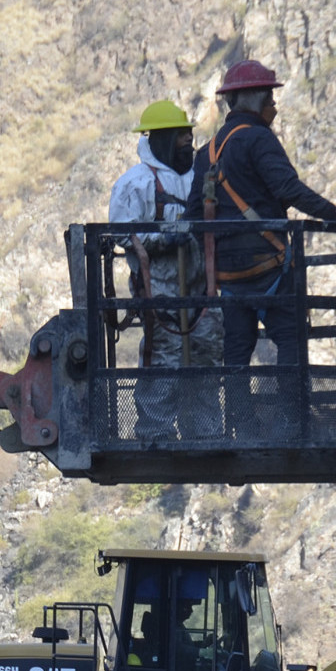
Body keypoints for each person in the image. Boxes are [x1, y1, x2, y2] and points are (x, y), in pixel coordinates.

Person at [184, 60, 336, 435]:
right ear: (254, 99)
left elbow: (194, 214)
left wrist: (221, 259)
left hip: (229, 276)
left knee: (237, 350)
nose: (274, 107)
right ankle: (291, 420)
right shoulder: (259, 139)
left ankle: (241, 424)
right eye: (270, 98)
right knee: (290, 340)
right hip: (269, 267)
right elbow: (289, 190)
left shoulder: (207, 152)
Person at [109, 99, 222, 441]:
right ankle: (154, 431)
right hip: (159, 289)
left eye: (189, 136)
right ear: (161, 139)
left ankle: (203, 432)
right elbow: (121, 233)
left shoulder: (199, 179)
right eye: (180, 137)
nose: (188, 142)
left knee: (205, 357)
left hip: (201, 289)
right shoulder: (135, 183)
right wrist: (169, 237)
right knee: (164, 361)